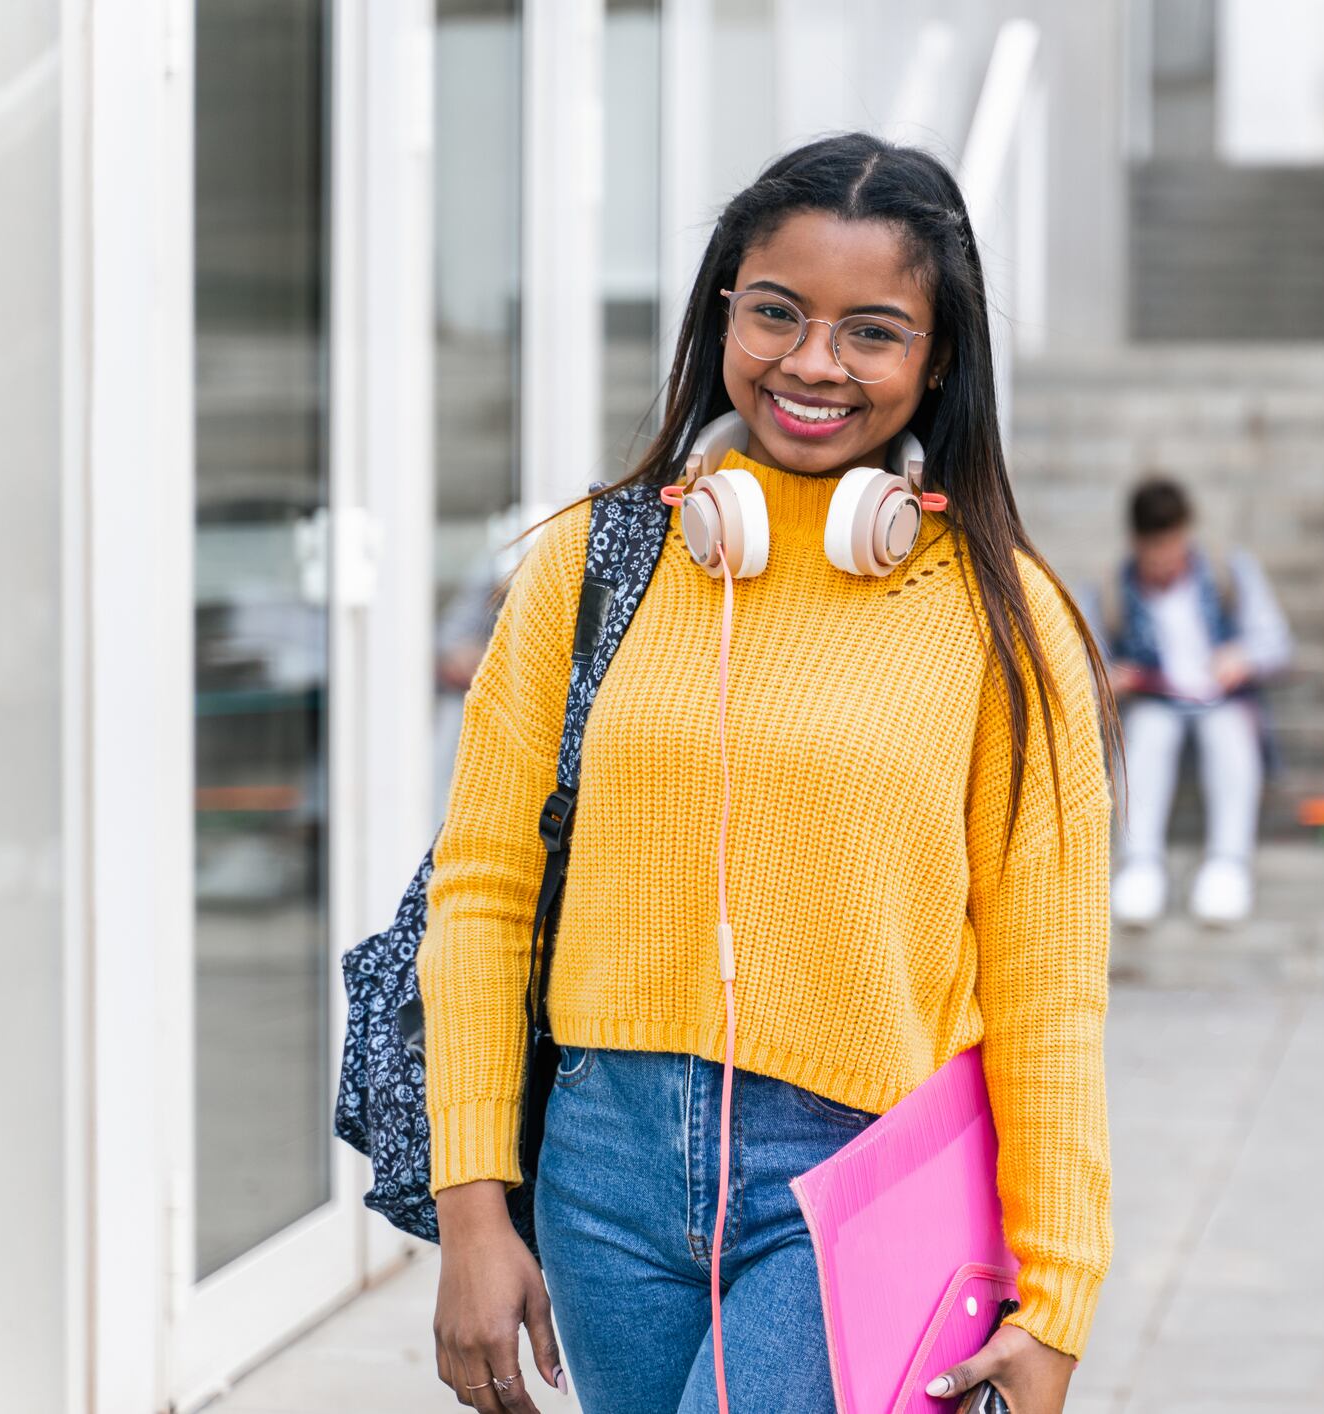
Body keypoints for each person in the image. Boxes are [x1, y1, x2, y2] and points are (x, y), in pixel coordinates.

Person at [418, 134, 1116, 1414]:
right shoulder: (587, 566)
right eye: (777, 312)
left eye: (873, 330)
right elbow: (482, 891)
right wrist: (472, 1209)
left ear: (938, 356)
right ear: (722, 312)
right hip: (600, 1164)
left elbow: (1049, 984)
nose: (812, 362)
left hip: (857, 1171)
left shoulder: (1008, 619)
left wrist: (1058, 1294)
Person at [1103, 478, 1292, 927]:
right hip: (1156, 702)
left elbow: (1278, 644)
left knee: (1229, 733)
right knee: (1148, 732)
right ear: (1136, 543)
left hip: (1222, 699)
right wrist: (1114, 679)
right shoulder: (1114, 590)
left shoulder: (1228, 572)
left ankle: (1228, 862)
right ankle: (1141, 862)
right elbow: (1087, 666)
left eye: (1174, 547)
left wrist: (1243, 657)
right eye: (1156, 553)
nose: (1167, 562)